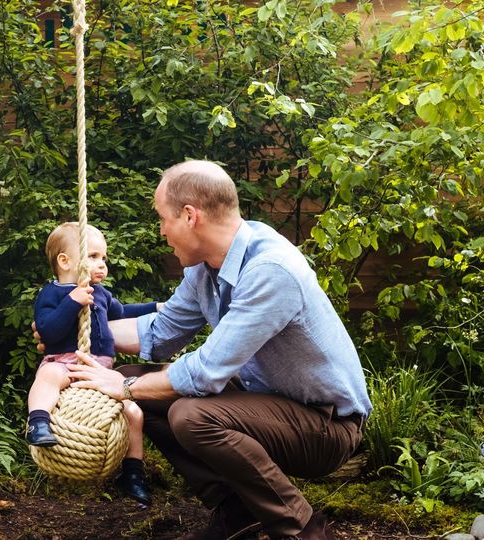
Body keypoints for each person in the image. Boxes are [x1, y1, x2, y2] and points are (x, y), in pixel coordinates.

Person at [62, 160, 373, 540]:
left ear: (190, 216)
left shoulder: (271, 270)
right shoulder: (205, 268)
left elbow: (206, 373)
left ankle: (302, 529)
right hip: (264, 405)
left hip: (325, 427)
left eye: (163, 219)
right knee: (136, 385)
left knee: (190, 414)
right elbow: (160, 333)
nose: (162, 232)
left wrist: (123, 389)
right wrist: (71, 333)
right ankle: (238, 512)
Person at [27, 221, 158, 505]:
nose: (102, 264)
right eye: (94, 256)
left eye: (104, 258)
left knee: (133, 413)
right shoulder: (52, 294)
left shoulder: (100, 293)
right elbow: (48, 331)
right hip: (65, 364)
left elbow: (122, 312)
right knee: (48, 374)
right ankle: (38, 422)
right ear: (65, 261)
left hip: (100, 372)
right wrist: (72, 302)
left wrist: (156, 307)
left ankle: (133, 473)